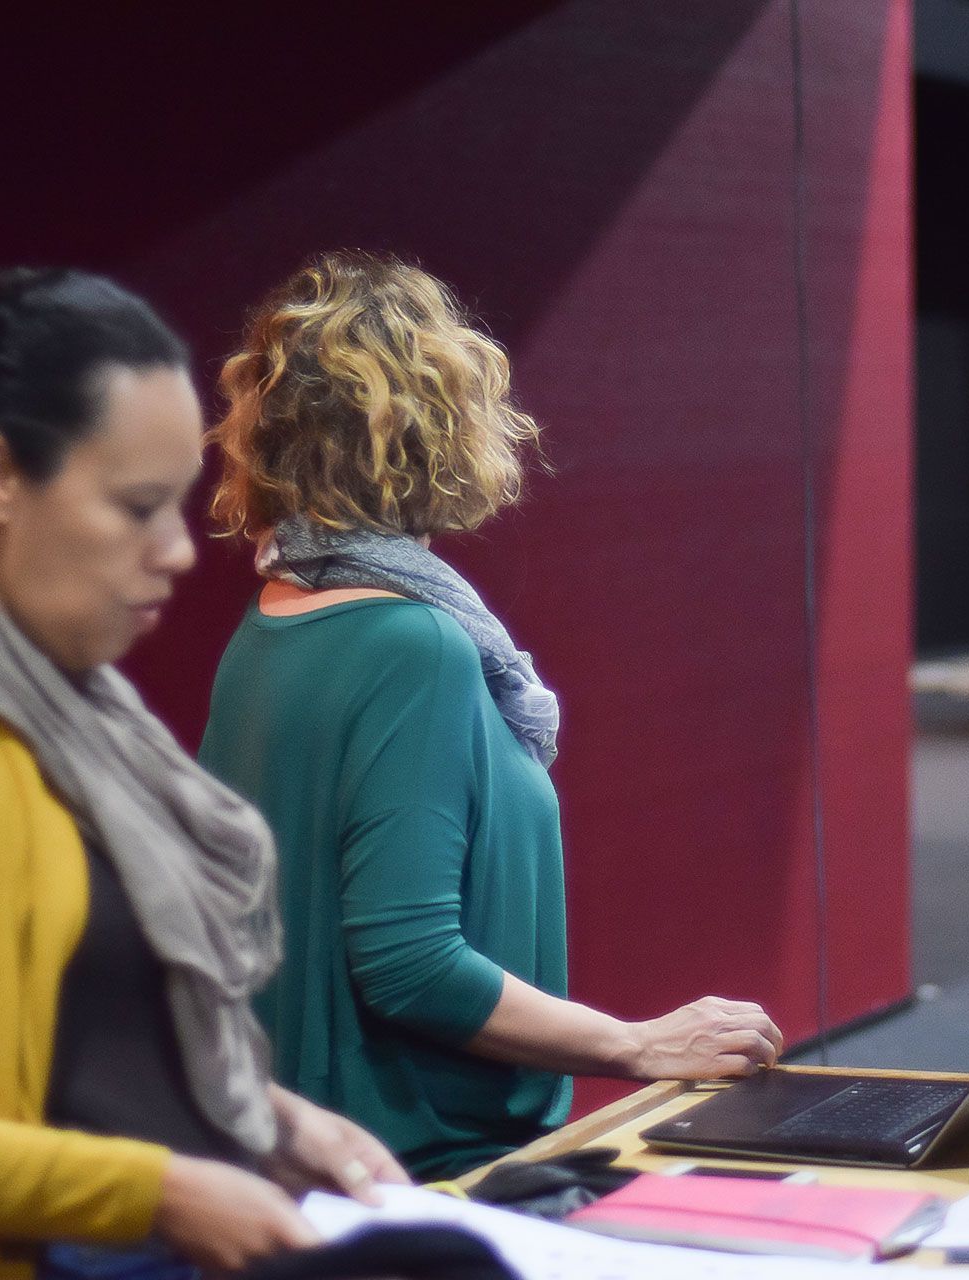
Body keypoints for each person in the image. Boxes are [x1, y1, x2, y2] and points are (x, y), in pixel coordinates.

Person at [0, 268, 408, 1280]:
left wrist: (269, 1122)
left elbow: (89, 1054)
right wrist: (157, 1191)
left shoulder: (68, 704)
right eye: (136, 507)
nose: (179, 551)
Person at [199, 251, 784, 1180]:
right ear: (439, 427)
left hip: (317, 1155)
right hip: (426, 1168)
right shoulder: (413, 644)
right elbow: (409, 963)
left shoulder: (273, 620)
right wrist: (637, 1044)